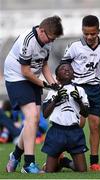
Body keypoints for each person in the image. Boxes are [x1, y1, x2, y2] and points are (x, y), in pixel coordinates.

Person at [4, 15, 63, 173]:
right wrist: (44, 85)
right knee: (32, 117)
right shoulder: (28, 40)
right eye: (50, 38)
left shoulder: (47, 41)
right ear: (42, 31)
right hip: (17, 77)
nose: (51, 41)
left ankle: (15, 156)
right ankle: (28, 164)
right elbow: (25, 71)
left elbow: (44, 65)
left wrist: (53, 83)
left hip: (32, 77)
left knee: (34, 120)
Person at [61, 15, 100, 171]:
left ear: (98, 31)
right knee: (77, 124)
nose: (90, 37)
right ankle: (59, 156)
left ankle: (94, 163)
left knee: (96, 125)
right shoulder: (74, 46)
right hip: (77, 89)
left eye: (93, 33)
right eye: (86, 34)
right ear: (82, 31)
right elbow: (64, 65)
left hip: (93, 89)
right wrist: (65, 82)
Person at [41, 63, 89, 172]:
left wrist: (79, 101)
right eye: (63, 69)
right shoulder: (52, 91)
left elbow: (86, 114)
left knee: (82, 170)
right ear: (57, 77)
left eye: (69, 69)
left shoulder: (80, 90)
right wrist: (56, 99)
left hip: (74, 132)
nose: (66, 70)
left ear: (73, 75)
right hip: (56, 131)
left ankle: (64, 162)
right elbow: (45, 114)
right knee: (49, 171)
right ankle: (57, 162)